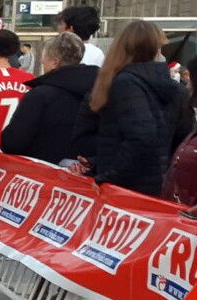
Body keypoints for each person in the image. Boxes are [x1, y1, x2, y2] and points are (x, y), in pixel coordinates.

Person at [71, 20, 190, 197]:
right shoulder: (176, 89)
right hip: (157, 187)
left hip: (125, 189)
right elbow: (181, 139)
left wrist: (110, 175)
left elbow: (142, 135)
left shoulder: (125, 83)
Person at [1, 32, 97, 164]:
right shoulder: (100, 91)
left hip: (40, 173)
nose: (42, 61)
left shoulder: (40, 96)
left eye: (44, 58)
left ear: (54, 63)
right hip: (85, 173)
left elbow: (12, 142)